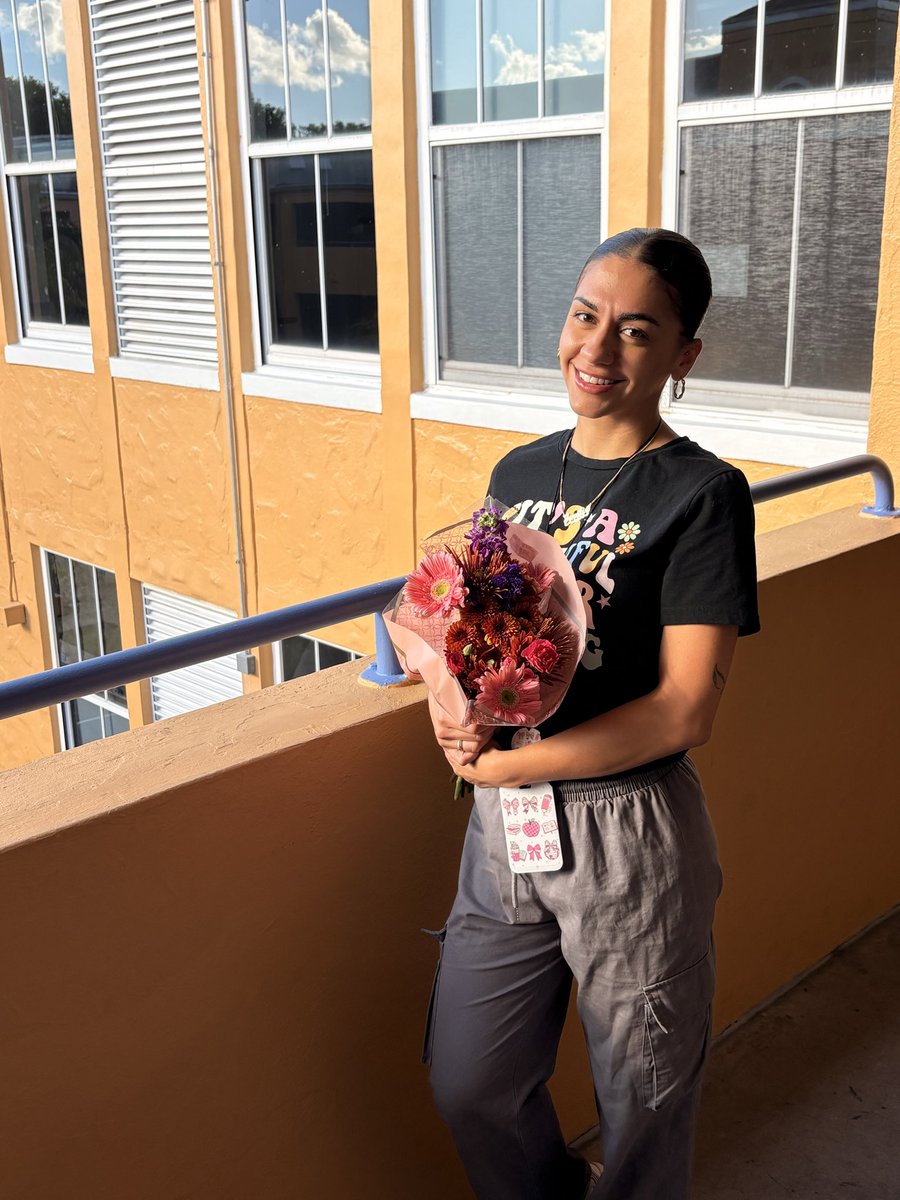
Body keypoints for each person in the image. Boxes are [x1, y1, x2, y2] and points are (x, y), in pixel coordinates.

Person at [421, 228, 760, 1200]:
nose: (598, 351)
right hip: (503, 829)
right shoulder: (518, 474)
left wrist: (514, 766)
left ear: (681, 356)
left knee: (644, 1100)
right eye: (585, 317)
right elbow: (470, 638)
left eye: (638, 332)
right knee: (469, 1079)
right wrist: (453, 714)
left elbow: (684, 708)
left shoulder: (702, 495)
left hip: (629, 834)